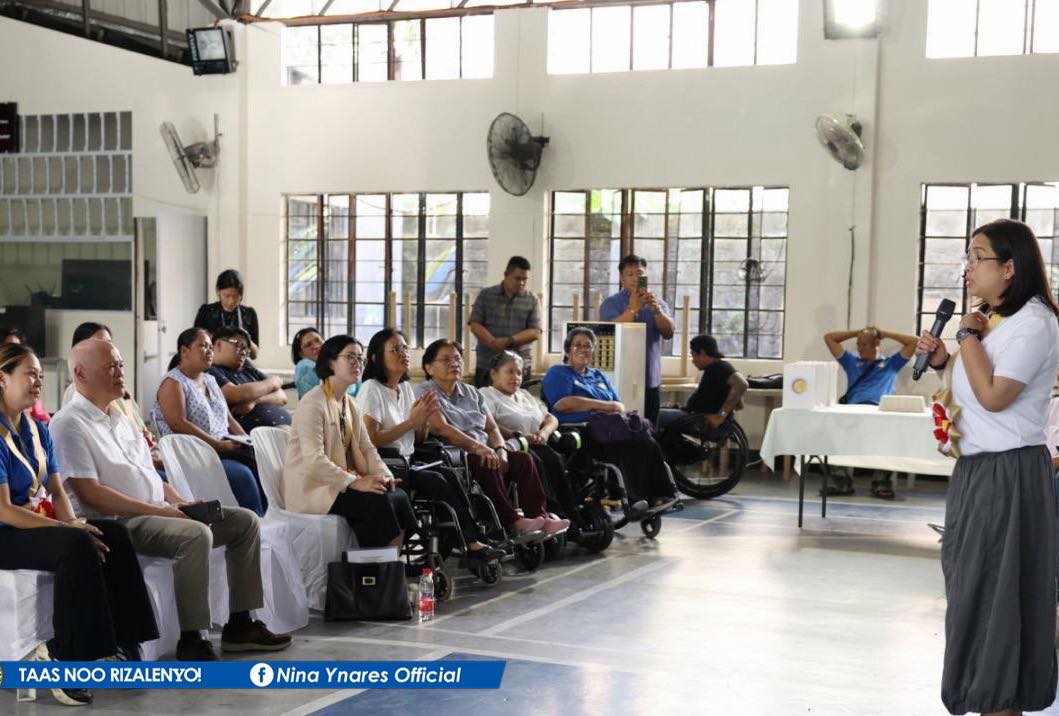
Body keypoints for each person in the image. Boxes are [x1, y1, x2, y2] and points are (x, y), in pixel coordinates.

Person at [51, 339, 291, 662]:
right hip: (116, 523)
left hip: (156, 511)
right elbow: (89, 493)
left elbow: (150, 475)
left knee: (244, 522)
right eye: (111, 367)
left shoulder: (120, 417)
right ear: (80, 374)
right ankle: (193, 637)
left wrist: (181, 503)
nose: (120, 372)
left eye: (120, 364)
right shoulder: (68, 423)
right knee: (195, 535)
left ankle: (240, 624)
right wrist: (161, 511)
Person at [915, 218, 1059, 716]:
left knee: (996, 597)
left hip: (1008, 474)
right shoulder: (996, 319)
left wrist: (966, 337)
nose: (968, 269)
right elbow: (975, 390)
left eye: (978, 257)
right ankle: (988, 699)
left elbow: (996, 396)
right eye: (968, 258)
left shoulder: (1034, 322)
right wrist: (944, 361)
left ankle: (998, 701)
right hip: (980, 472)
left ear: (1010, 267)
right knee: (972, 592)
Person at [0, 342, 158, 705]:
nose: (38, 382)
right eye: (29, 375)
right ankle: (66, 656)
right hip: (6, 531)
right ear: (2, 379)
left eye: (41, 375)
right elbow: (4, 510)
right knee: (74, 544)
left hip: (34, 524)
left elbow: (58, 492)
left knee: (109, 531)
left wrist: (74, 523)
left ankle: (124, 642)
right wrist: (67, 530)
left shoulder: (38, 430)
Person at [357, 328, 504, 562]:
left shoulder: (404, 388)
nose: (404, 353)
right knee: (437, 480)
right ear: (376, 357)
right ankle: (470, 543)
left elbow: (416, 438)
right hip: (385, 464)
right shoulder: (372, 388)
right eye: (395, 349)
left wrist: (422, 422)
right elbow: (371, 439)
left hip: (407, 460)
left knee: (449, 472)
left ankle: (474, 538)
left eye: (405, 348)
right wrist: (411, 422)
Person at [416, 339, 567, 537]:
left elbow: (492, 428)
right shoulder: (424, 392)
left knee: (523, 459)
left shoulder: (471, 392)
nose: (454, 363)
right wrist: (478, 447)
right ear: (429, 367)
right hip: (456, 457)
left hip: (485, 450)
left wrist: (501, 449)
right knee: (485, 462)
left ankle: (539, 518)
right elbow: (441, 428)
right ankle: (512, 521)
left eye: (457, 358)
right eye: (446, 359)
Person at [284, 335, 416, 548]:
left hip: (337, 482)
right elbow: (314, 460)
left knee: (397, 495)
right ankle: (366, 565)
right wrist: (354, 482)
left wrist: (385, 475)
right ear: (330, 363)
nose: (358, 363)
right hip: (315, 487)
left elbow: (367, 448)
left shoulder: (350, 403)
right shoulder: (313, 403)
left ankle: (390, 563)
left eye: (360, 358)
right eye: (351, 357)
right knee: (375, 502)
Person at [543, 326, 677, 512]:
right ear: (567, 350)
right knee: (625, 447)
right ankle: (634, 500)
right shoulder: (558, 372)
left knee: (648, 442)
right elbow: (562, 404)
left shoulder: (597, 375)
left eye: (587, 346)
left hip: (609, 427)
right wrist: (604, 406)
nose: (582, 349)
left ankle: (662, 495)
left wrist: (609, 407)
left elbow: (619, 405)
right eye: (577, 345)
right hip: (580, 430)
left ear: (593, 351)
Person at [152, 328, 265, 517]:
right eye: (203, 346)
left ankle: (264, 519)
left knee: (261, 460)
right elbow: (178, 423)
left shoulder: (211, 380)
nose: (210, 351)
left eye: (211, 347)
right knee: (241, 473)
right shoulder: (173, 382)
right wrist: (217, 445)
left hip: (220, 449)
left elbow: (228, 418)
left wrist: (246, 440)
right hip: (192, 454)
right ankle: (255, 521)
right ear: (184, 351)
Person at [481, 351, 577, 517]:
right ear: (494, 374)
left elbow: (551, 418)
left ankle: (569, 512)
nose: (516, 377)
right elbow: (488, 424)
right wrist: (516, 435)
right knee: (538, 461)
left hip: (536, 444)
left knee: (557, 458)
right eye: (510, 372)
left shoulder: (524, 395)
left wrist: (544, 432)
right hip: (510, 447)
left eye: (519, 373)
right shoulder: (486, 394)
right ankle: (547, 512)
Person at [64, 322, 166, 478]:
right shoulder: (77, 394)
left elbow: (140, 430)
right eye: (100, 343)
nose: (107, 348)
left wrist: (149, 450)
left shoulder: (119, 391)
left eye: (109, 343)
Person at [599, 254, 675, 423]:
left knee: (650, 428)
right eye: (630, 274)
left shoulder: (658, 303)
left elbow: (669, 333)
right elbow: (609, 333)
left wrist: (656, 310)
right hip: (619, 378)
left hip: (650, 379)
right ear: (622, 278)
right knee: (620, 428)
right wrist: (632, 309)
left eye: (639, 273)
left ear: (646, 276)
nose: (635, 278)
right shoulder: (610, 303)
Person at [468, 256, 542, 388]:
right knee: (484, 400)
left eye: (524, 279)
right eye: (517, 278)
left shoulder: (532, 299)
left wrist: (509, 341)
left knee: (518, 400)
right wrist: (492, 342)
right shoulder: (486, 295)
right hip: (487, 365)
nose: (521, 283)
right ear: (506, 275)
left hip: (519, 366)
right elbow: (475, 324)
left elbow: (535, 332)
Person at [656, 334, 749, 434]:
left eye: (693, 355)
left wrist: (720, 416)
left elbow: (742, 384)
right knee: (658, 410)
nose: (693, 360)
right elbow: (739, 404)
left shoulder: (720, 367)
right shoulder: (715, 369)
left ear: (702, 353)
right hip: (693, 416)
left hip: (696, 420)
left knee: (653, 415)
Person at [209, 326, 291, 433]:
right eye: (239, 345)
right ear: (219, 344)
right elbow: (239, 394)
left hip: (281, 431)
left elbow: (282, 396)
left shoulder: (246, 367)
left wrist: (255, 401)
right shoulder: (210, 370)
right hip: (250, 436)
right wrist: (273, 382)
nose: (243, 352)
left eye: (246, 349)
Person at [824, 324, 917, 405]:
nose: (860, 348)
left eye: (864, 345)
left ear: (876, 343)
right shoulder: (851, 362)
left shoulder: (891, 364)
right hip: (855, 407)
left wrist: (885, 334)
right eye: (858, 345)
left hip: (878, 409)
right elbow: (829, 338)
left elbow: (915, 342)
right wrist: (859, 332)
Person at [195, 269, 260, 360]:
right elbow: (196, 347)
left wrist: (245, 337)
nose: (231, 301)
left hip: (240, 363)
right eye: (227, 296)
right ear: (218, 291)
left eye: (235, 296)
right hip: (214, 362)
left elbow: (254, 355)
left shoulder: (249, 314)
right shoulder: (206, 311)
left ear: (241, 294)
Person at [2, 326, 50, 424]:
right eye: (11, 348)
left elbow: (44, 419)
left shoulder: (37, 427)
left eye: (41, 376)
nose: (39, 383)